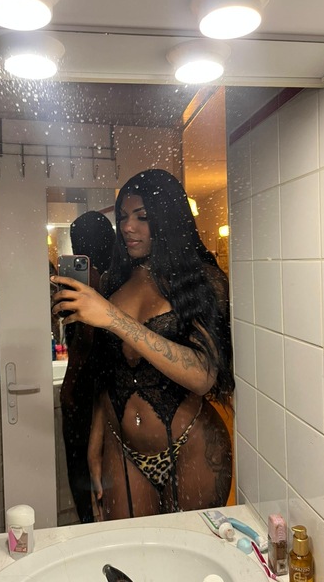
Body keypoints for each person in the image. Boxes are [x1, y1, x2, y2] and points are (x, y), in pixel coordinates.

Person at [52, 169, 234, 521]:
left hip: (191, 446)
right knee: (132, 549)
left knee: (188, 550)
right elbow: (107, 375)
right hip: (122, 449)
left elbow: (203, 377)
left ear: (167, 219)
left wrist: (111, 317)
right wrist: (94, 444)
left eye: (142, 217)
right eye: (122, 217)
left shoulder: (200, 281)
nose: (127, 227)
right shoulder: (112, 282)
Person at [60, 210, 115, 523]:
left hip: (92, 390)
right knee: (98, 480)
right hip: (103, 391)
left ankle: (93, 526)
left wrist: (69, 385)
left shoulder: (107, 283)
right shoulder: (118, 278)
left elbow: (85, 342)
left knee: (87, 477)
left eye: (80, 241)